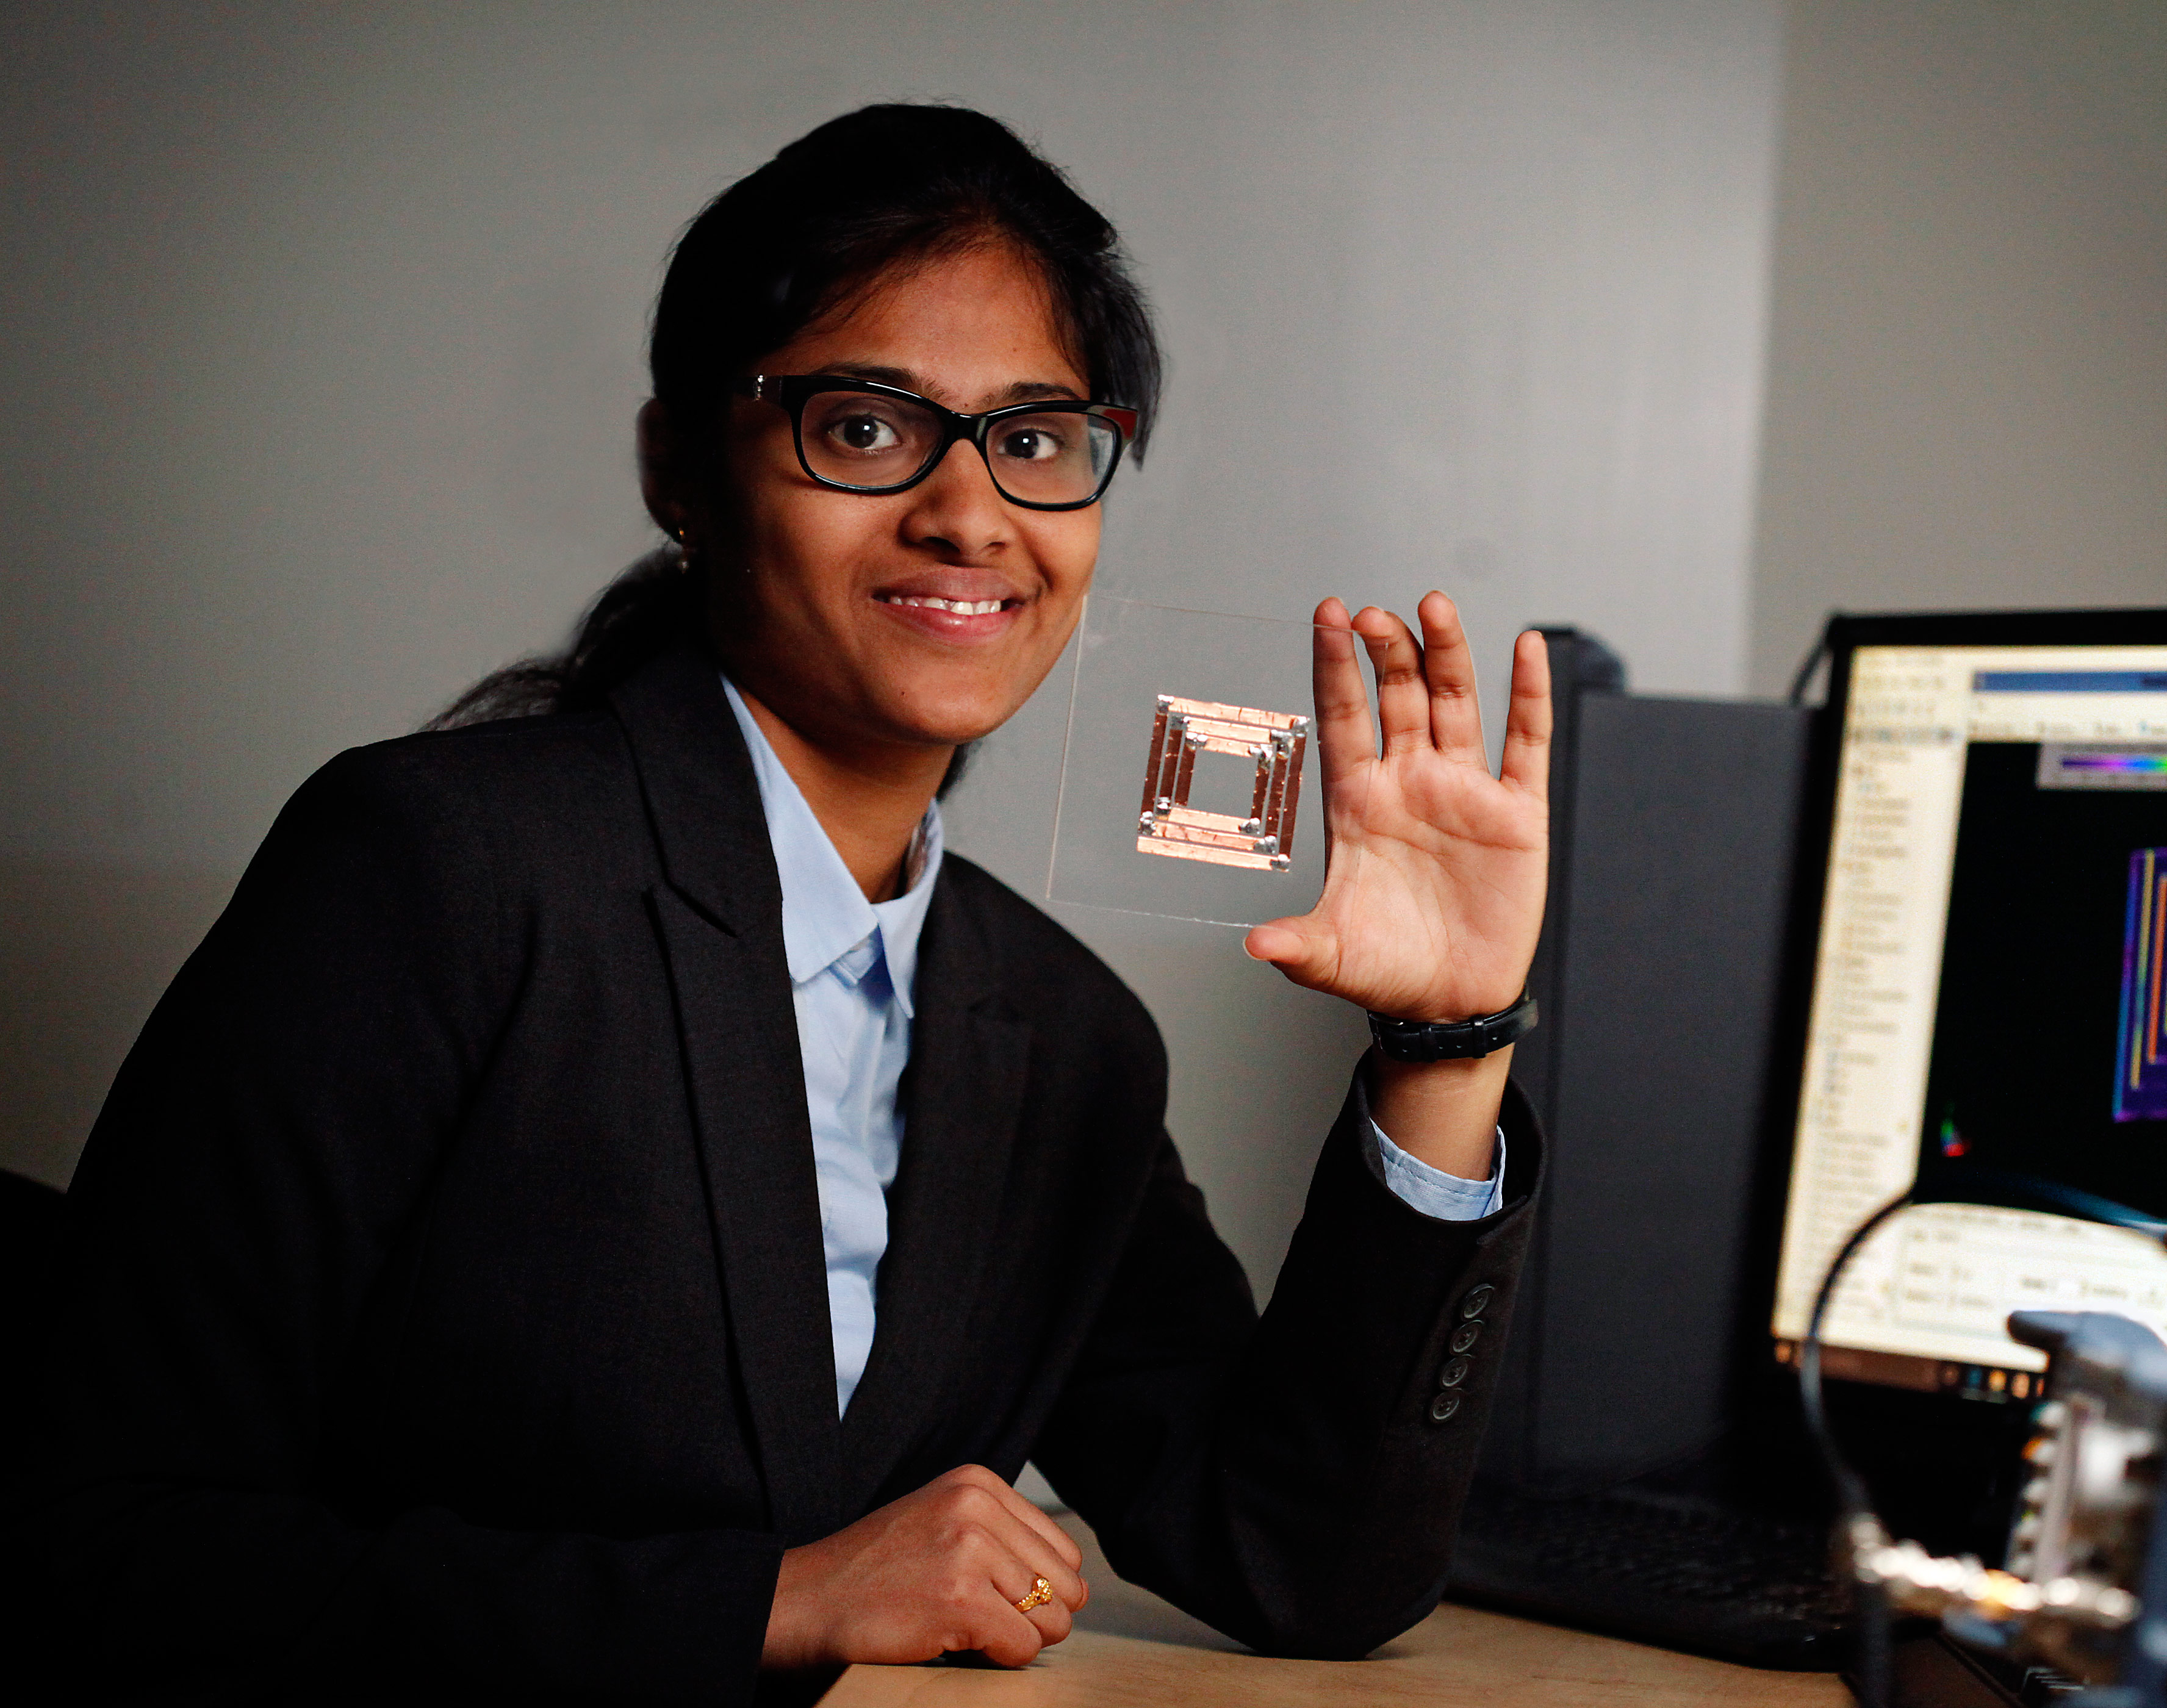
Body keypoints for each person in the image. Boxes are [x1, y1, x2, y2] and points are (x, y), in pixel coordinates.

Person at [15, 105, 1551, 1704]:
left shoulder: (1065, 1037)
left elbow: (1299, 1558)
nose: (972, 515)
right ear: (679, 464)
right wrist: (770, 1602)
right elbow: (100, 1539)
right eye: (870, 427)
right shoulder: (433, 873)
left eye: (1034, 440)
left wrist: (1447, 1044)